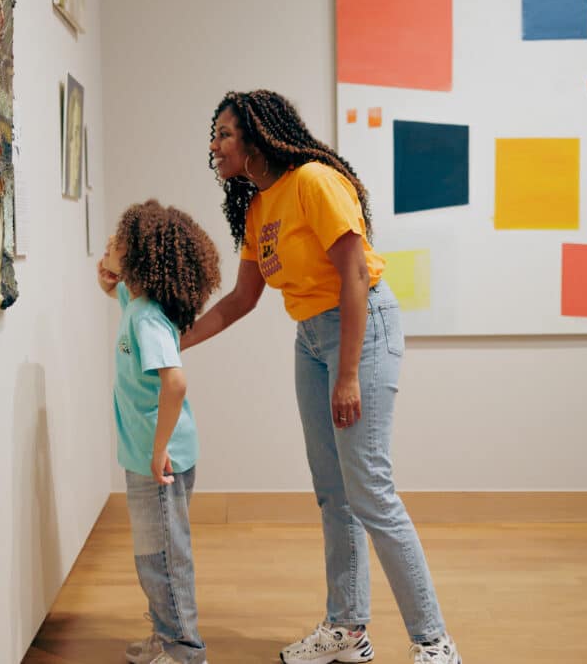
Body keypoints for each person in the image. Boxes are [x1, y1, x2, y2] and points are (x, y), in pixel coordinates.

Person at [180, 91, 462, 664]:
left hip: (361, 328)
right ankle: (348, 629)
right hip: (310, 339)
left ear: (257, 138)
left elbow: (355, 273)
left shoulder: (313, 181)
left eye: (225, 134)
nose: (215, 144)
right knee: (334, 494)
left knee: (371, 492)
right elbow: (240, 300)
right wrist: (173, 340)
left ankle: (434, 643)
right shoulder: (259, 207)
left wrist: (350, 373)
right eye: (216, 134)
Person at [96, 200, 221, 664]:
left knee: (165, 560)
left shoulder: (147, 319)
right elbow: (117, 292)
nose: (109, 243)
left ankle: (185, 651)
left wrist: (159, 447)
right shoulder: (139, 303)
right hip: (147, 456)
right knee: (153, 558)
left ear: (140, 259)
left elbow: (176, 380)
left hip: (159, 461)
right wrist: (109, 277)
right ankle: (166, 637)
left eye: (118, 241)